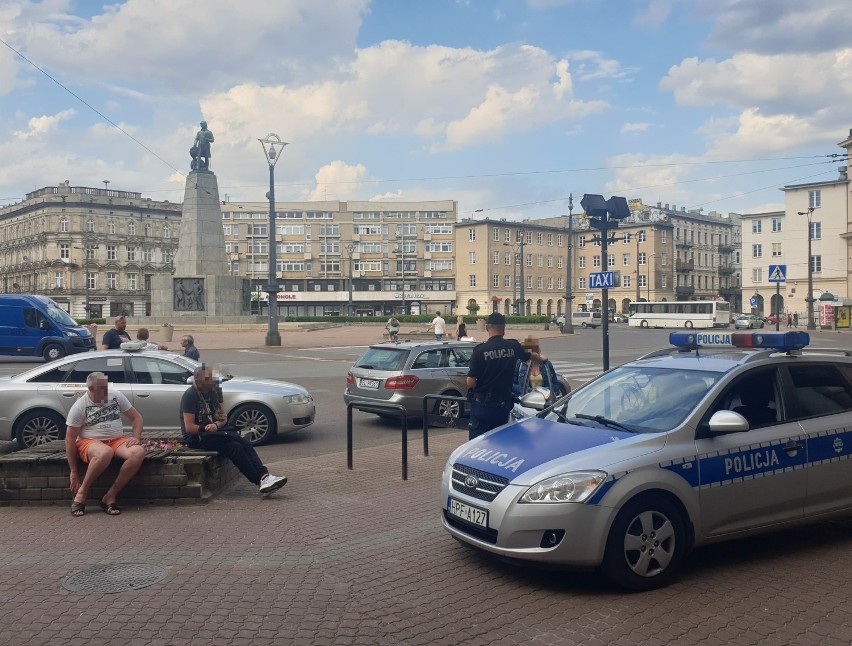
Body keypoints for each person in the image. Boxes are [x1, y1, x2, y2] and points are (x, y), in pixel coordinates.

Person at [180, 365, 287, 495]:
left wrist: (216, 425)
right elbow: (189, 428)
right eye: (208, 378)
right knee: (236, 445)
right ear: (198, 380)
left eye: (213, 377)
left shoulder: (214, 392)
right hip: (198, 437)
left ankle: (263, 478)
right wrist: (206, 428)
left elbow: (223, 418)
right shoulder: (190, 396)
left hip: (215, 432)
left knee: (239, 445)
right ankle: (262, 479)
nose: (213, 380)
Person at [66, 372, 145, 516]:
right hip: (90, 442)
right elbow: (70, 439)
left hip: (116, 439)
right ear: (91, 389)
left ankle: (110, 495)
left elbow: (137, 418)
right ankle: (82, 493)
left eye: (106, 387)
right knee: (105, 452)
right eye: (102, 389)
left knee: (138, 452)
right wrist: (74, 471)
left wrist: (136, 437)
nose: (106, 392)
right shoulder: (79, 406)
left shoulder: (116, 396)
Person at [466, 312, 547, 440]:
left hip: (482, 406)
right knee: (500, 440)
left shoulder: (480, 351)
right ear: (503, 329)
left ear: (487, 328)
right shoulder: (513, 346)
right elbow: (531, 355)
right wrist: (542, 359)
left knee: (478, 444)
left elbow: (470, 382)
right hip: (502, 406)